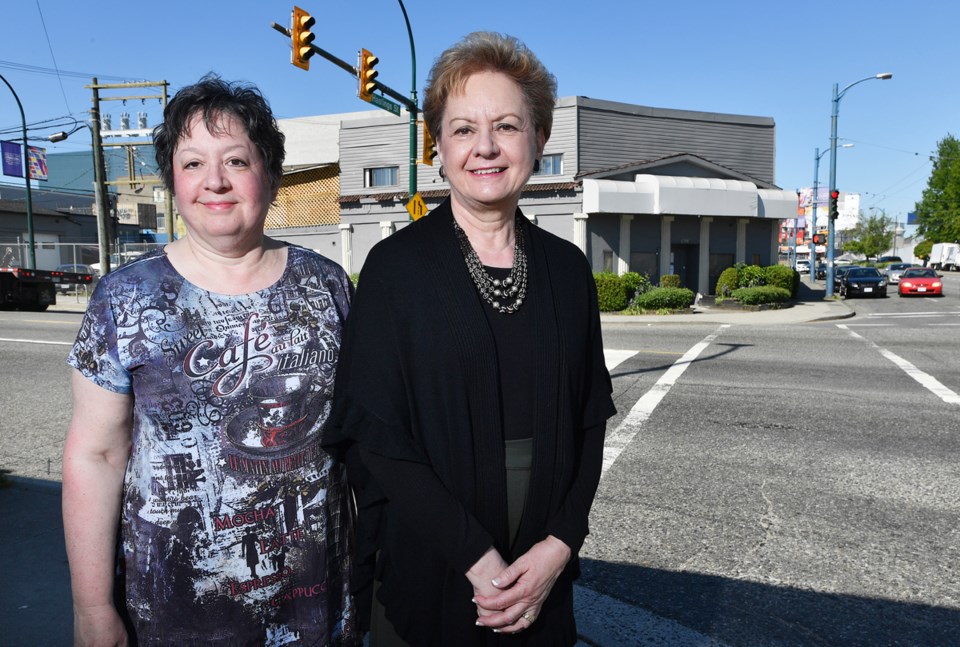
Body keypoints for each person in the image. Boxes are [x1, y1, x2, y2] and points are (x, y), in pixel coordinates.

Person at [327, 32, 616, 646]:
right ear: (438, 148)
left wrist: (560, 547)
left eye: (507, 126)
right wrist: (478, 561)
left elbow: (591, 420)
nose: (485, 147)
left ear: (538, 140)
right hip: (430, 556)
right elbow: (376, 437)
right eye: (463, 129)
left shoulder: (568, 270)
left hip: (543, 559)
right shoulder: (395, 268)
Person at [62, 75, 360, 646]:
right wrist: (92, 606)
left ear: (269, 176)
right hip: (174, 611)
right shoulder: (125, 298)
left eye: (236, 161)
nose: (215, 181)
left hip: (313, 605)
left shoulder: (326, 285)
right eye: (193, 163)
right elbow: (95, 455)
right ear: (172, 180)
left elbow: (361, 442)